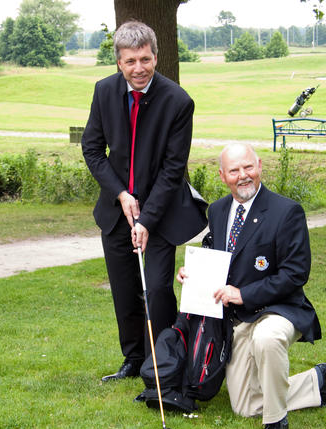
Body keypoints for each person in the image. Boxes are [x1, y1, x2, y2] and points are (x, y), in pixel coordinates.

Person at [177, 143, 326, 429]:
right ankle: (317, 381)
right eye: (234, 170)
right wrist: (193, 274)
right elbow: (219, 256)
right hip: (238, 318)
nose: (243, 176)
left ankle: (275, 423)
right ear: (223, 176)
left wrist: (243, 293)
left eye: (248, 167)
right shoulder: (219, 210)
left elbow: (295, 273)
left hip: (280, 309)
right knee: (244, 405)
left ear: (260, 166)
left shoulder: (287, 211)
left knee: (267, 339)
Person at [82, 21, 205, 382]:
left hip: (162, 212)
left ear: (156, 56)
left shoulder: (178, 101)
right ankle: (134, 359)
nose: (139, 68)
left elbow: (173, 169)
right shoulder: (104, 92)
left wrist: (148, 220)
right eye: (131, 61)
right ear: (119, 62)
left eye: (146, 59)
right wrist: (120, 194)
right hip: (116, 209)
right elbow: (92, 148)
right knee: (124, 289)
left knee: (157, 289)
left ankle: (164, 361)